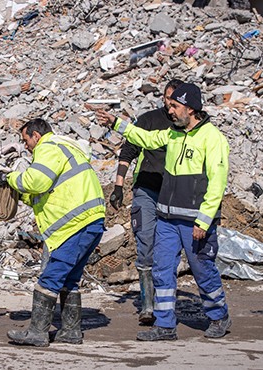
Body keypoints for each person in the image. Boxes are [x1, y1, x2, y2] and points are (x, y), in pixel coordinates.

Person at [96, 83, 231, 340]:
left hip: (194, 222)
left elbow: (217, 183)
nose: (170, 111)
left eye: (175, 107)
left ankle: (219, 316)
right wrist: (117, 123)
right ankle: (165, 325)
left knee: (202, 269)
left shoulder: (212, 138)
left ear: (191, 109)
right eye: (169, 106)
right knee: (161, 269)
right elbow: (145, 139)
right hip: (168, 218)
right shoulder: (172, 134)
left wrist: (203, 222)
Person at [0, 118, 105, 347]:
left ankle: (37, 332)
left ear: (36, 136)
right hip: (90, 221)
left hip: (75, 224)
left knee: (51, 277)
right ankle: (70, 331)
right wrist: (21, 195)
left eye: (26, 140)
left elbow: (36, 181)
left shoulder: (48, 147)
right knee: (69, 279)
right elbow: (44, 192)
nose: (25, 145)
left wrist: (10, 178)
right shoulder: (64, 147)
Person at [110, 78, 183, 325]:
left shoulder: (186, 126)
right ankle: (148, 305)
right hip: (147, 191)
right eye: (166, 99)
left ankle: (165, 302)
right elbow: (128, 151)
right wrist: (118, 186)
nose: (169, 105)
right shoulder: (149, 120)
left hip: (174, 193)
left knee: (169, 248)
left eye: (174, 100)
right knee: (146, 242)